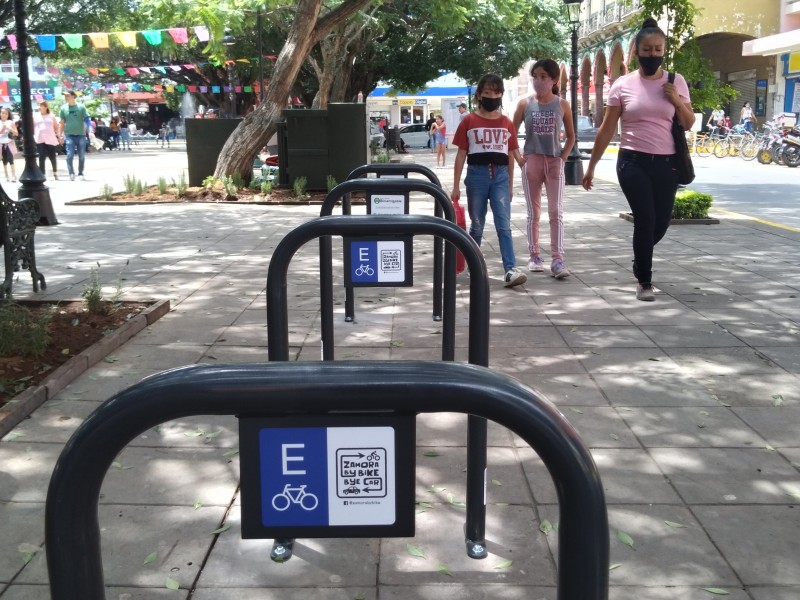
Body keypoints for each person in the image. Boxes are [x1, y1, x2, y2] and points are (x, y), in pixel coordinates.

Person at [582, 17, 694, 302]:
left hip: (667, 163)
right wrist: (591, 166)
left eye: (658, 49)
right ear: (637, 52)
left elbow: (689, 122)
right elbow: (607, 128)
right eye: (647, 50)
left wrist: (677, 101)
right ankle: (645, 279)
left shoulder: (675, 81)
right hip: (632, 161)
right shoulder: (623, 84)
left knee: (661, 222)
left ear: (663, 50)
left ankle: (639, 256)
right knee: (645, 219)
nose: (653, 55)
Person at [451, 73, 527, 288]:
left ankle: (510, 269)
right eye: (487, 92)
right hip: (476, 176)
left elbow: (511, 154)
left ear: (501, 95)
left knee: (504, 225)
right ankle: (473, 264)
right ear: (479, 95)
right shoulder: (469, 121)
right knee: (477, 225)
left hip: (501, 177)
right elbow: (461, 154)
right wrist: (456, 185)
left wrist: (511, 184)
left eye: (495, 92)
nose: (491, 96)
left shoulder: (506, 123)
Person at [513, 58, 575, 279]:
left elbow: (571, 136)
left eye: (543, 77)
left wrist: (563, 157)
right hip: (532, 163)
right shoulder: (524, 104)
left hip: (554, 162)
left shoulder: (562, 104)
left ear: (554, 80)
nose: (538, 81)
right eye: (535, 76)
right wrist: (521, 160)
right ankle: (534, 255)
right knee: (534, 213)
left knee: (556, 211)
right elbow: (511, 135)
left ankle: (558, 259)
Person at [58, 91, 91, 180]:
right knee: (69, 154)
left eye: (67, 95)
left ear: (73, 96)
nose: (66, 97)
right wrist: (60, 135)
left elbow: (87, 120)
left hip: (81, 134)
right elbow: (62, 123)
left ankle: (80, 173)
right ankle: (71, 173)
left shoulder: (81, 107)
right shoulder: (63, 108)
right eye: (65, 96)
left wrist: (90, 131)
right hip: (69, 135)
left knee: (81, 155)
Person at [34, 101, 60, 180]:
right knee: (41, 156)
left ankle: (55, 172)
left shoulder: (51, 116)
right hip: (40, 139)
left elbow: (56, 127)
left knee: (52, 156)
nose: (40, 107)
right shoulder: (35, 116)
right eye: (39, 106)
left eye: (41, 106)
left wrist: (59, 136)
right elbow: (32, 127)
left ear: (45, 107)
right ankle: (42, 173)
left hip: (50, 139)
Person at [0, 108, 18, 182]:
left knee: (10, 159)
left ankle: (13, 175)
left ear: (8, 115)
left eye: (6, 114)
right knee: (4, 160)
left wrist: (10, 128)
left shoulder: (10, 122)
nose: (4, 115)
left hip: (9, 143)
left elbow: (16, 133)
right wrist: (3, 129)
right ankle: (6, 174)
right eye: (3, 113)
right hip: (1, 144)